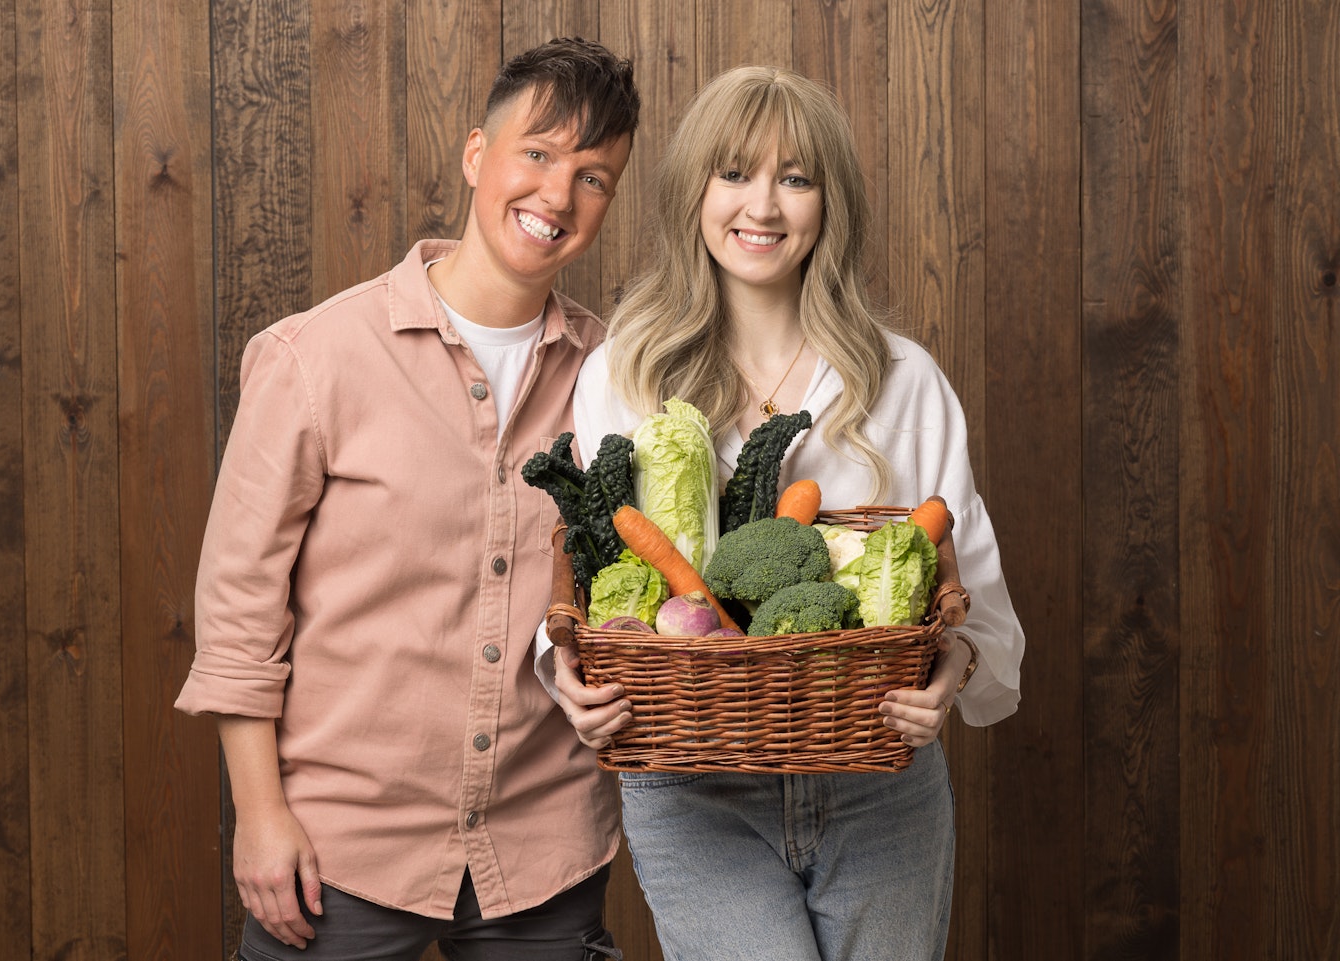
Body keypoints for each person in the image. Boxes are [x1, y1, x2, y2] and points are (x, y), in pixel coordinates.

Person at [174, 38, 640, 961]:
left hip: (542, 846)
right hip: (339, 850)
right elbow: (238, 612)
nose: (557, 196)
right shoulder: (315, 358)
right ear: (477, 154)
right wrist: (259, 815)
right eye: (538, 155)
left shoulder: (615, 380)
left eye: (593, 177)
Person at [547, 66, 1024, 961]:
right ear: (695, 189)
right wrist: (568, 671)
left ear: (827, 203)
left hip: (878, 779)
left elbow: (967, 582)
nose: (762, 206)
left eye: (795, 178)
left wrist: (947, 680)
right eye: (734, 172)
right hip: (692, 786)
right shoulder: (624, 371)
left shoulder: (903, 376)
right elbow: (587, 556)